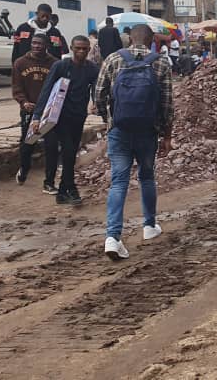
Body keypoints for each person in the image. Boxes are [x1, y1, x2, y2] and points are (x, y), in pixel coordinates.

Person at [95, 24, 174, 261]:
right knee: (147, 177)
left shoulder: (112, 59)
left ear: (129, 39)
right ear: (151, 41)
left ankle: (112, 237)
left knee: (119, 180)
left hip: (119, 130)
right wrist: (166, 135)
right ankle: (149, 226)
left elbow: (99, 94)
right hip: (147, 131)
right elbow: (168, 104)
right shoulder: (160, 62)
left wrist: (108, 120)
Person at [31, 35, 100, 206]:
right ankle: (71, 188)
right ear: (71, 48)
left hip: (78, 116)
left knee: (71, 153)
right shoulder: (61, 66)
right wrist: (37, 116)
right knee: (68, 151)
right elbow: (46, 90)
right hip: (58, 117)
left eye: (85, 48)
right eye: (78, 48)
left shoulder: (91, 68)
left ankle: (62, 192)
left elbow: (96, 88)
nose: (81, 51)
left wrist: (96, 103)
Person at [11, 34, 59, 190]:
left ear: (46, 46)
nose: (36, 46)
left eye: (40, 44)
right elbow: (16, 88)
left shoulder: (54, 64)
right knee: (27, 144)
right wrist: (24, 102)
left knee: (52, 146)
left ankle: (49, 182)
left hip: (48, 113)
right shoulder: (20, 63)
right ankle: (24, 169)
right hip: (28, 111)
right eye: (34, 43)